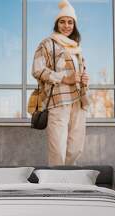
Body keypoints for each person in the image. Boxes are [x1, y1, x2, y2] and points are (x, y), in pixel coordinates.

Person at [32, 0, 90, 166]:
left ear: (75, 25)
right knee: (57, 148)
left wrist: (85, 80)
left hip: (79, 101)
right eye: (62, 21)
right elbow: (37, 70)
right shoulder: (47, 43)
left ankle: (68, 180)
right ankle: (56, 185)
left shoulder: (77, 48)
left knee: (76, 148)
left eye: (70, 22)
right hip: (59, 101)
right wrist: (65, 78)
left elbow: (81, 72)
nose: (66, 25)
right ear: (57, 24)